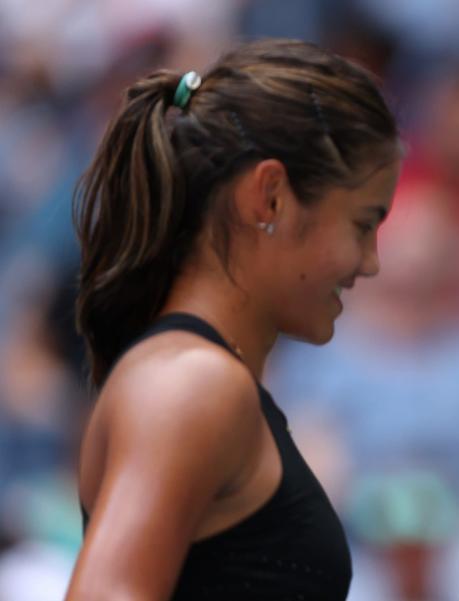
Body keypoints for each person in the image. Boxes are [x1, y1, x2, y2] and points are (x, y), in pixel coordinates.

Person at [65, 39, 401, 600]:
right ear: (269, 197)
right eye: (363, 224)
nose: (371, 262)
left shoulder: (208, 379)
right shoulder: (195, 383)